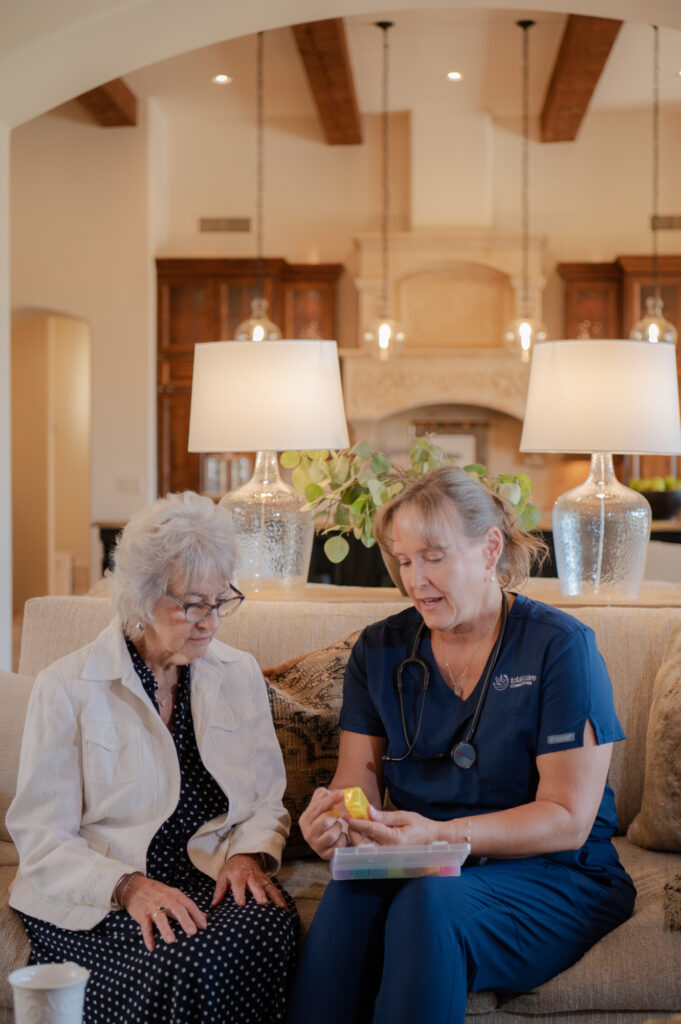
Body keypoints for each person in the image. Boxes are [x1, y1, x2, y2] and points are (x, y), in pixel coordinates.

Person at [288, 466, 635, 1024]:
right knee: (352, 893)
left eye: (434, 556)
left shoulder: (560, 647)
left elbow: (568, 818)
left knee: (431, 900)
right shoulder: (379, 650)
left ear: (489, 548)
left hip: (555, 869)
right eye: (404, 561)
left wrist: (443, 837)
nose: (415, 580)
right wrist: (341, 820)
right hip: (427, 857)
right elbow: (357, 781)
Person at [8, 492, 299, 1024]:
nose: (210, 621)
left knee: (265, 923)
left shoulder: (237, 674)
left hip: (204, 878)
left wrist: (248, 854)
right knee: (179, 960)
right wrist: (127, 886)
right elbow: (42, 838)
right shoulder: (66, 687)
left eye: (221, 600)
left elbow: (265, 800)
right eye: (192, 604)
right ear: (142, 600)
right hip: (102, 894)